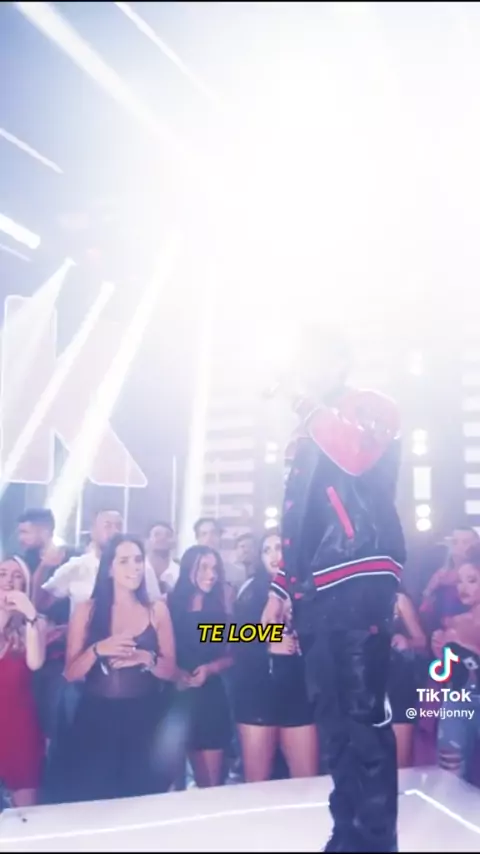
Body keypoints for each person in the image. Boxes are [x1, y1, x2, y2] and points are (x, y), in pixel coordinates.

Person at [261, 325, 406, 853]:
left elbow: (356, 455)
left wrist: (302, 403)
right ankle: (347, 831)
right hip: (315, 593)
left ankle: (377, 842)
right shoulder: (307, 436)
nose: (302, 368)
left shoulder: (371, 407)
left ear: (338, 362)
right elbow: (300, 524)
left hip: (359, 580)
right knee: (335, 725)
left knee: (363, 720)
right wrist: (280, 588)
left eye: (312, 358)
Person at [63, 534, 176, 802]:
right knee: (96, 799)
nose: (134, 567)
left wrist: (144, 658)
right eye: (124, 561)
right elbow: (70, 673)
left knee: (143, 798)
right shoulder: (87, 610)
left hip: (145, 716)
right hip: (96, 717)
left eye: (138, 560)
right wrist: (97, 650)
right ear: (110, 568)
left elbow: (171, 671)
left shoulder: (157, 610)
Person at [233, 531, 318, 782]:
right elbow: (225, 635)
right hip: (258, 693)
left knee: (307, 783)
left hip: (299, 691)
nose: (273, 555)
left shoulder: (309, 588)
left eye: (279, 547)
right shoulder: (250, 589)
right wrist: (270, 642)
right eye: (266, 550)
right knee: (257, 785)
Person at [169, 545, 232, 788]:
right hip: (174, 699)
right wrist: (174, 674)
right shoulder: (168, 604)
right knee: (171, 788)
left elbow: (237, 650)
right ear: (188, 569)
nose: (211, 575)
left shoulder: (221, 606)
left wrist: (210, 669)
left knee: (210, 787)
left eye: (215, 568)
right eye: (204, 568)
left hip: (210, 696)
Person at [0, 556, 46, 806]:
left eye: (17, 575)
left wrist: (29, 615)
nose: (8, 580)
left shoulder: (36, 623)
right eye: (2, 574)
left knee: (27, 814)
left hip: (19, 730)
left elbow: (35, 662)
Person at [432, 545, 480, 782]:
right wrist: (440, 653)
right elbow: (447, 674)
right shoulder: (453, 623)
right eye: (459, 581)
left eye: (472, 580)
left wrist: (470, 648)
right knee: (450, 781)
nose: (463, 587)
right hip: (457, 704)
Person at [389, 590, 426, 768]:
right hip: (363, 686)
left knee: (401, 766)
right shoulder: (349, 599)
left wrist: (406, 642)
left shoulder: (398, 600)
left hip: (397, 682)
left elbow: (422, 641)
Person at [420, 526, 479, 634]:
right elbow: (424, 608)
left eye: (465, 542)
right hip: (441, 633)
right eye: (455, 542)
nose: (459, 547)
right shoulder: (440, 575)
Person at [193, 517, 244, 592]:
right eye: (204, 534)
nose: (209, 538)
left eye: (213, 533)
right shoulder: (189, 571)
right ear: (197, 538)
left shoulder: (236, 572)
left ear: (220, 537)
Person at [145, 520, 179, 594]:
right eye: (157, 534)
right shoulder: (137, 570)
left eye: (168, 535)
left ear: (174, 543)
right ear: (147, 541)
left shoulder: (180, 574)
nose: (163, 538)